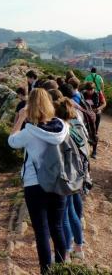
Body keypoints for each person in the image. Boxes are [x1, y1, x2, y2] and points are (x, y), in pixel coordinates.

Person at [8, 88, 68, 274]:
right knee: (57, 227)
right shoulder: (63, 126)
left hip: (35, 185)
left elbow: (11, 141)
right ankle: (62, 267)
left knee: (42, 231)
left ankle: (46, 271)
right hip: (58, 183)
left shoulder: (30, 131)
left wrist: (20, 118)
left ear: (31, 106)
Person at [54, 98, 85, 261]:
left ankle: (65, 253)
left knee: (64, 215)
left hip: (65, 178)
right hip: (75, 177)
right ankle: (79, 248)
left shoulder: (60, 131)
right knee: (73, 213)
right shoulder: (72, 128)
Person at [82, 82, 107, 158]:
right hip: (85, 114)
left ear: (94, 89)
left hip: (96, 114)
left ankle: (94, 151)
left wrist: (97, 109)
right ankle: (85, 148)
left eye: (91, 90)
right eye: (88, 90)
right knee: (85, 130)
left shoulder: (98, 93)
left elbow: (104, 104)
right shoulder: (83, 93)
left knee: (94, 132)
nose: (89, 91)